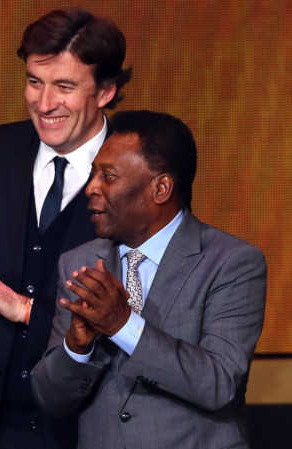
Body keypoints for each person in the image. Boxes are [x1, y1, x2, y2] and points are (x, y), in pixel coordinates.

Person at [0, 7, 130, 449]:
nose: (43, 102)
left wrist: (26, 309)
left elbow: (148, 322)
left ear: (106, 91)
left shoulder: (139, 172)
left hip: (89, 426)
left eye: (64, 86)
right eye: (35, 82)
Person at [23, 110, 266, 448]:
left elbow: (218, 383)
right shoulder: (77, 264)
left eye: (108, 176)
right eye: (94, 173)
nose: (91, 188)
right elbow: (50, 398)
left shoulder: (232, 263)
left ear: (160, 188)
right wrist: (77, 348)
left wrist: (122, 326)